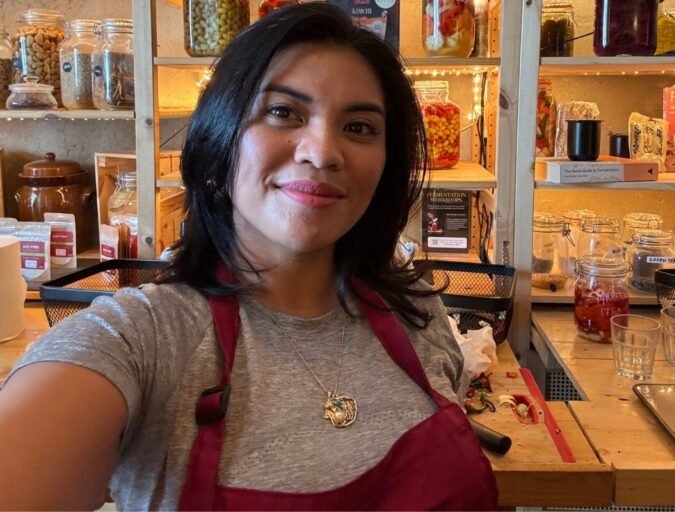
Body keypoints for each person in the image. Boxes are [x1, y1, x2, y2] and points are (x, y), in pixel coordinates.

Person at [0, 4, 498, 510]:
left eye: (360, 127)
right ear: (220, 141)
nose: (323, 151)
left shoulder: (417, 313)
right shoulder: (144, 337)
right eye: (283, 112)